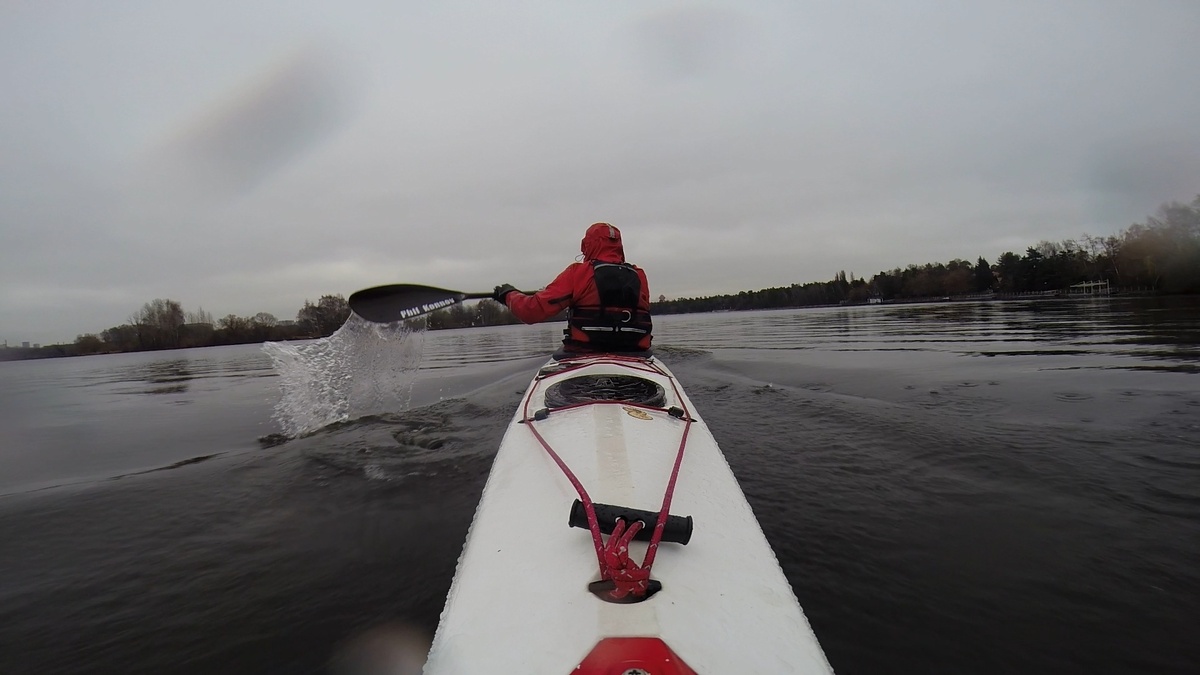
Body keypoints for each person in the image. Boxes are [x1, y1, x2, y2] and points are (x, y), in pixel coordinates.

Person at [494, 222, 653, 354]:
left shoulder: (579, 273)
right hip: (636, 355)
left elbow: (530, 311)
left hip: (585, 354)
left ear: (586, 245)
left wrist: (509, 295)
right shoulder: (639, 275)